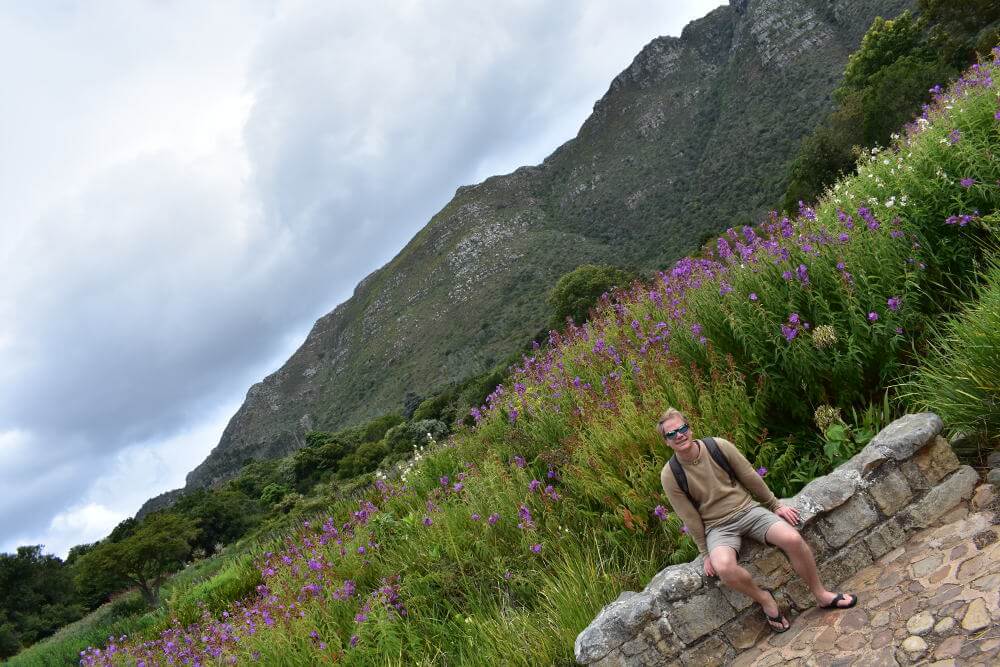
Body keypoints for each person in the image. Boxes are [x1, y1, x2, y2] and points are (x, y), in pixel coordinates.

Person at [657, 408, 857, 632]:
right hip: (717, 527)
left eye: (682, 429)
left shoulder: (718, 446)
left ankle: (821, 594)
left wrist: (775, 505)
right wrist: (705, 553)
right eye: (671, 434)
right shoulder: (670, 474)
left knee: (792, 538)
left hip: (748, 510)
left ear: (690, 428)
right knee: (724, 568)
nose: (679, 435)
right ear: (666, 441)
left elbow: (749, 476)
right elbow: (689, 516)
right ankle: (765, 599)